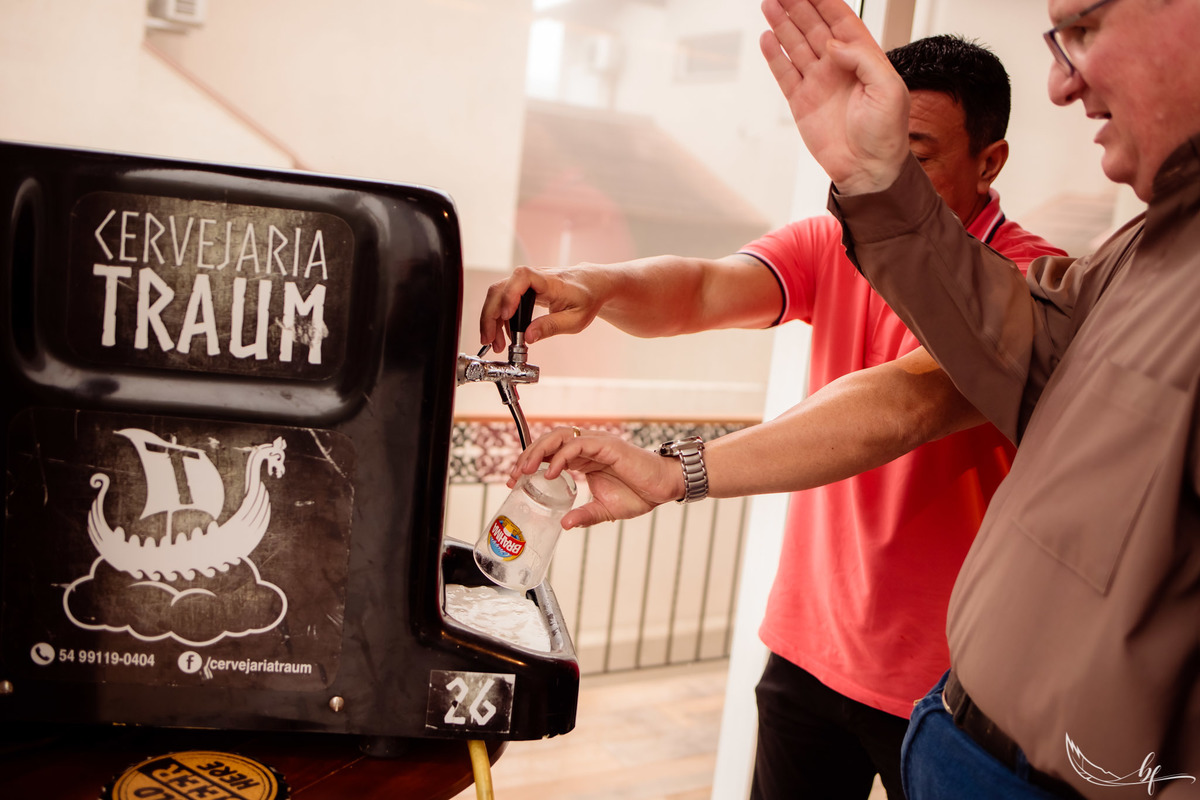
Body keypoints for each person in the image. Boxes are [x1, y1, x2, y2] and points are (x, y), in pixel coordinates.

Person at [482, 35, 1065, 800]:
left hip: (950, 689)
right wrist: (591, 286)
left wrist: (675, 470)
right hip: (807, 654)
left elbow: (905, 403)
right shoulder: (838, 242)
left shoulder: (1031, 286)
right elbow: (701, 287)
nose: (886, 176)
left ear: (990, 162)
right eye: (874, 150)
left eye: (914, 156)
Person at [755, 0, 1200, 798]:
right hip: (942, 727)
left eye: (1086, 29)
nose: (1064, 84)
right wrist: (873, 179)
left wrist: (677, 470)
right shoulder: (1152, 246)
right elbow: (1028, 351)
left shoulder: (1051, 256)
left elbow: (911, 400)